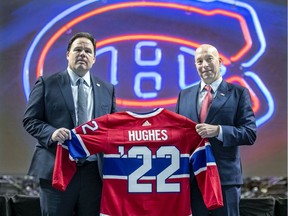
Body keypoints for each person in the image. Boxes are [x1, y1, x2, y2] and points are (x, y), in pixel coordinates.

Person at [23, 32, 117, 216]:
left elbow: (112, 127)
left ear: (94, 58)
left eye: (88, 51)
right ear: (68, 54)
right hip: (57, 171)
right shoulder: (47, 83)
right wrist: (51, 133)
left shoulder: (107, 89)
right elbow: (30, 120)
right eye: (78, 49)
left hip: (93, 174)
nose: (83, 54)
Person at [175, 44, 257, 216]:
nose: (204, 65)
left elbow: (249, 133)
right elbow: (178, 134)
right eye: (199, 61)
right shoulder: (185, 95)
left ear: (220, 62)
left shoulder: (238, 93)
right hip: (193, 179)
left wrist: (218, 131)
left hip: (225, 181)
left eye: (209, 59)